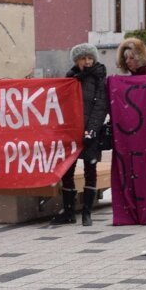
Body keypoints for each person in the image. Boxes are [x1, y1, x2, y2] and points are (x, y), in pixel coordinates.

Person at [50, 43, 108, 227]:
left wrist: (91, 130)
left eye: (90, 58)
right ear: (76, 61)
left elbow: (100, 107)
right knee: (67, 170)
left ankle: (87, 213)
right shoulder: (71, 78)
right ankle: (69, 211)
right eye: (83, 58)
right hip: (72, 131)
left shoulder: (100, 78)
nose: (87, 62)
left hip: (91, 131)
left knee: (90, 169)